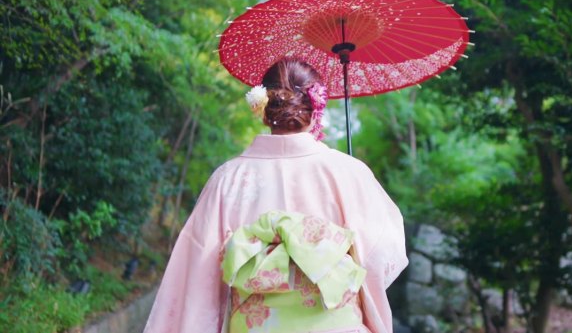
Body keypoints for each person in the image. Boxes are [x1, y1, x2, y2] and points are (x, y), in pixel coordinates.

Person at [144, 58, 408, 333]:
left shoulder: (228, 179)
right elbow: (382, 257)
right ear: (317, 108)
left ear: (263, 108)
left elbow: (197, 275)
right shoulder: (350, 172)